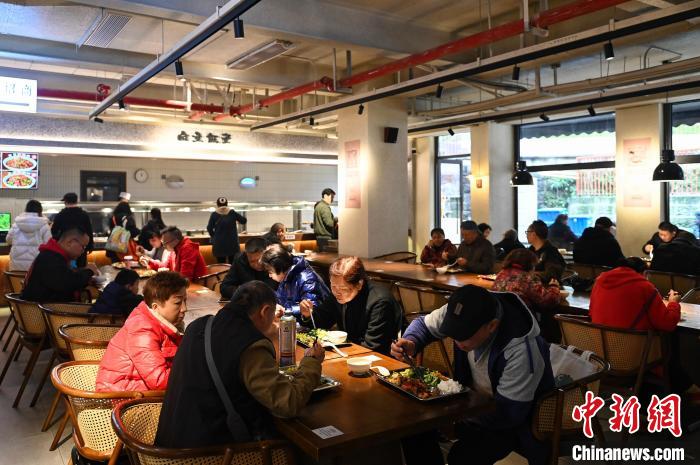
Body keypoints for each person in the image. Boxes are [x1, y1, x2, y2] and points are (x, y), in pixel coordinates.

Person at [392, 285, 554, 465]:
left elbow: (509, 414)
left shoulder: (521, 349)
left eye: (464, 335)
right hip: (471, 405)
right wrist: (411, 341)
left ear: (492, 325)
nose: (456, 342)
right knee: (413, 430)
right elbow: (423, 324)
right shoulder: (464, 308)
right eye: (453, 334)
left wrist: (455, 416)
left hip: (516, 424)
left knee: (462, 457)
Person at [154, 281, 324, 448]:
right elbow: (288, 403)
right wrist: (312, 362)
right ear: (265, 311)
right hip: (211, 454)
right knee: (296, 447)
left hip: (168, 444)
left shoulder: (197, 325)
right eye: (272, 315)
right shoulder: (249, 345)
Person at [96, 271, 188, 392]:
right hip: (120, 397)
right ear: (155, 307)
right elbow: (159, 381)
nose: (185, 308)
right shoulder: (143, 330)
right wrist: (194, 369)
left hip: (137, 390)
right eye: (178, 303)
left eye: (185, 301)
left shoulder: (159, 323)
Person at [300, 257, 403, 355]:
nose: (337, 292)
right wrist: (308, 315)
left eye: (343, 289)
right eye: (333, 286)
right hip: (350, 352)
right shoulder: (338, 294)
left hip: (377, 360)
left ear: (359, 284)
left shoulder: (380, 302)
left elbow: (373, 347)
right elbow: (322, 322)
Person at [590, 257, 680, 331]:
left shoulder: (599, 281)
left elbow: (591, 312)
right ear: (644, 273)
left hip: (598, 343)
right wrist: (673, 303)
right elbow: (667, 323)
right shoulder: (645, 287)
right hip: (634, 344)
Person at [21, 228, 98, 302]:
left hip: (48, 307)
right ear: (70, 242)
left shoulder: (53, 255)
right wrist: (89, 271)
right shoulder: (50, 258)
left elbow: (66, 277)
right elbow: (67, 284)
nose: (83, 251)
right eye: (83, 246)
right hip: (41, 310)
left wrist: (85, 275)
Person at [260, 244, 330, 318]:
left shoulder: (307, 279)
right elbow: (280, 300)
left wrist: (285, 311)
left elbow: (310, 308)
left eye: (270, 272)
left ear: (279, 267)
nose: (269, 275)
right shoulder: (285, 276)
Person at [492, 249, 561, 309]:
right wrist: (554, 286)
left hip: (502, 316)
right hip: (522, 317)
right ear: (530, 264)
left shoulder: (501, 273)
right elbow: (548, 301)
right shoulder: (528, 278)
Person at [141, 227, 207, 280]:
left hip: (196, 285)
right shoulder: (174, 250)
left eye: (165, 243)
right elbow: (165, 266)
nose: (164, 246)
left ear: (175, 241)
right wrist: (149, 261)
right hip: (183, 284)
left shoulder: (188, 249)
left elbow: (185, 277)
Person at [51, 192, 93, 267]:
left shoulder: (60, 215)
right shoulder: (84, 214)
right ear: (76, 201)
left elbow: (53, 231)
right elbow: (89, 231)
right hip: (80, 247)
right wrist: (90, 246)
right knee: (80, 268)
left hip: (65, 248)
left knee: (65, 268)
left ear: (65, 202)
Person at [7, 200, 51, 271]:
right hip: (35, 268)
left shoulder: (16, 224)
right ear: (40, 210)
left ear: (26, 209)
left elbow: (8, 240)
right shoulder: (44, 225)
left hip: (16, 268)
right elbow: (49, 244)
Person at [207, 197, 247, 264]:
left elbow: (209, 228)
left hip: (219, 244)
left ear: (217, 204)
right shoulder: (232, 213)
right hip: (232, 244)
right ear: (227, 204)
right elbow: (244, 221)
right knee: (233, 264)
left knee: (221, 265)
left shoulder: (214, 214)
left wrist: (215, 236)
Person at [107, 192, 140, 263]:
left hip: (114, 246)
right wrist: (139, 231)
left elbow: (111, 229)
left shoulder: (113, 217)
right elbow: (132, 231)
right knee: (127, 264)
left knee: (116, 265)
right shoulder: (128, 217)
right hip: (126, 247)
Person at [313, 188, 337, 252]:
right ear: (325, 196)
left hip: (320, 238)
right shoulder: (324, 207)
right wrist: (336, 221)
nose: (332, 200)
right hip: (326, 238)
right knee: (328, 256)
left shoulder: (318, 206)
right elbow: (329, 223)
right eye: (332, 197)